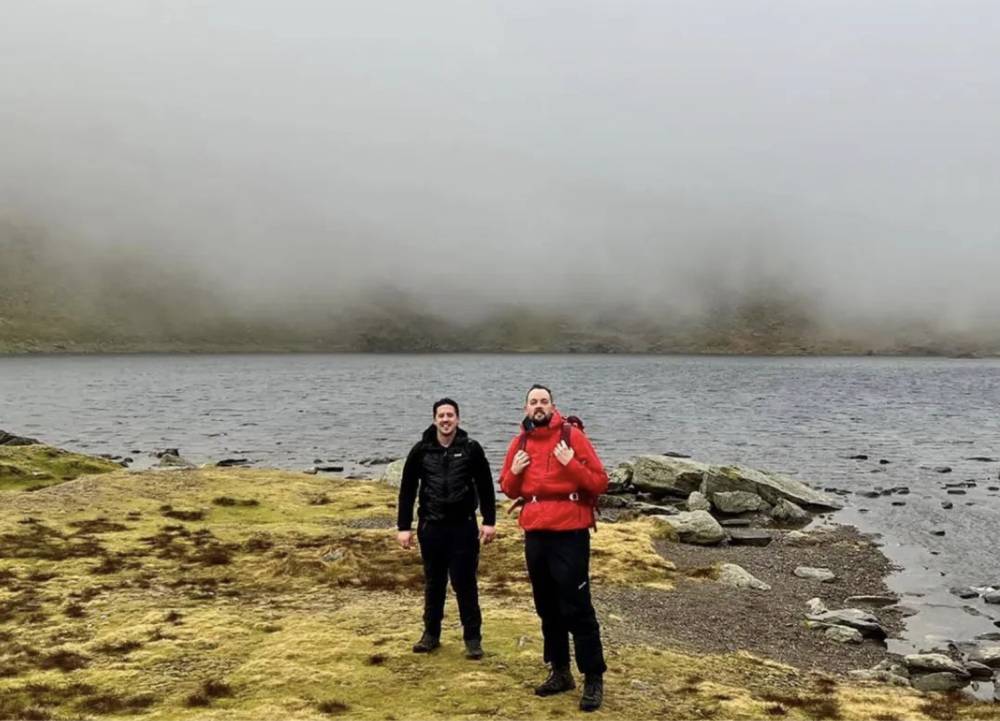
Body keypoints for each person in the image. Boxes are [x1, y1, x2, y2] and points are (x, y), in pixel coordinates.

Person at [499, 384, 609, 712]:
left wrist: (571, 463)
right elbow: (507, 488)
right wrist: (515, 473)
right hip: (536, 533)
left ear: (553, 406)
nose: (538, 407)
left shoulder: (571, 437)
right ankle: (560, 671)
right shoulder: (519, 442)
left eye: (543, 401)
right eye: (533, 402)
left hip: (570, 532)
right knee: (546, 606)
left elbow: (600, 481)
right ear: (525, 408)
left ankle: (593, 675)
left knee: (577, 605)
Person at [397, 397, 497, 660]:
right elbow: (407, 490)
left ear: (458, 419)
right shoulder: (421, 450)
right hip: (431, 527)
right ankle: (431, 635)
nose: (445, 420)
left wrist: (489, 521)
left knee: (465, 584)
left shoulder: (471, 449)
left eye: (450, 415)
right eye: (441, 415)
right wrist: (403, 527)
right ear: (434, 419)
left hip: (463, 527)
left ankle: (473, 640)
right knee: (434, 583)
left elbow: (486, 485)